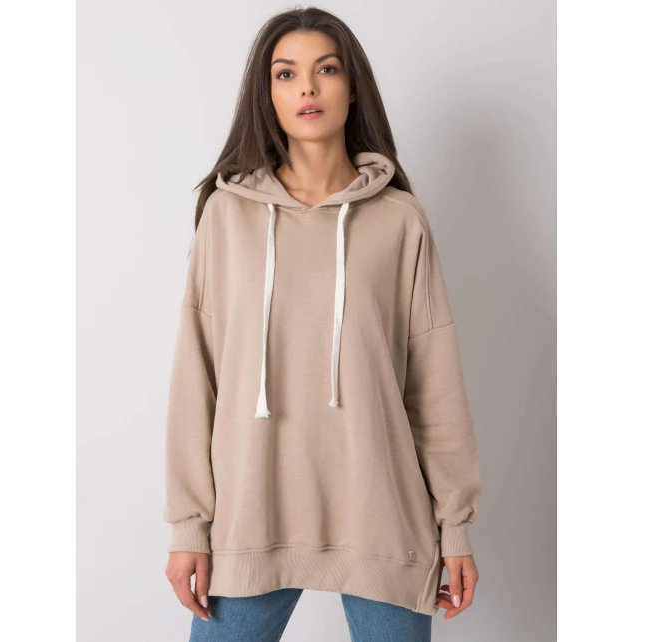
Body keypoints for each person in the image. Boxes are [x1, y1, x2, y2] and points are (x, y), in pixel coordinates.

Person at [163, 7, 482, 642]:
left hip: (383, 520)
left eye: (326, 69)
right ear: (267, 94)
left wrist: (455, 527)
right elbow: (197, 377)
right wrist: (188, 526)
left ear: (353, 86)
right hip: (250, 517)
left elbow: (434, 385)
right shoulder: (227, 216)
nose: (306, 87)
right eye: (286, 74)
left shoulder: (400, 221)